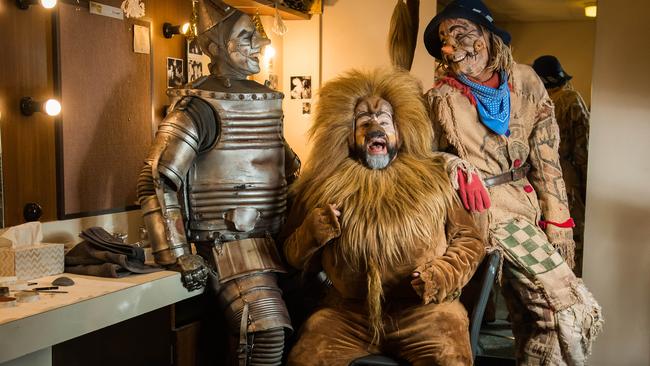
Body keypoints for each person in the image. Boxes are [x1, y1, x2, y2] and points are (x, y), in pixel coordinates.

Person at [422, 0, 603, 364]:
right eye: (444, 39)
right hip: (480, 211)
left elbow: (547, 156)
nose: (449, 47)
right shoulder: (440, 97)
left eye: (460, 34)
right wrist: (453, 163)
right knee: (561, 306)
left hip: (527, 205)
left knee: (529, 315)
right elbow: (419, 155)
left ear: (488, 36)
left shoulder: (527, 82)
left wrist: (558, 221)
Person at [281, 68, 485, 366]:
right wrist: (310, 232)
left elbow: (469, 239)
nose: (374, 128)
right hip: (348, 314)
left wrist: (442, 274)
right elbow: (291, 256)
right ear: (348, 135)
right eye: (364, 121)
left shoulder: (436, 179)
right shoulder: (322, 186)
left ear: (400, 131)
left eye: (384, 121)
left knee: (449, 358)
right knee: (306, 358)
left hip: (425, 312)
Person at [136, 0, 300, 364]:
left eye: (258, 33)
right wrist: (178, 254)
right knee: (267, 332)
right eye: (246, 35)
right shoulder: (200, 107)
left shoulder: (265, 101)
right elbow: (156, 180)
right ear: (213, 48)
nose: (259, 41)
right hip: (228, 248)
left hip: (276, 241)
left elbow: (284, 169)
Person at [533, 55, 590, 275]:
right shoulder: (571, 99)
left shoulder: (530, 100)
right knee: (571, 244)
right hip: (565, 181)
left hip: (534, 181)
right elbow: (583, 148)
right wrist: (587, 189)